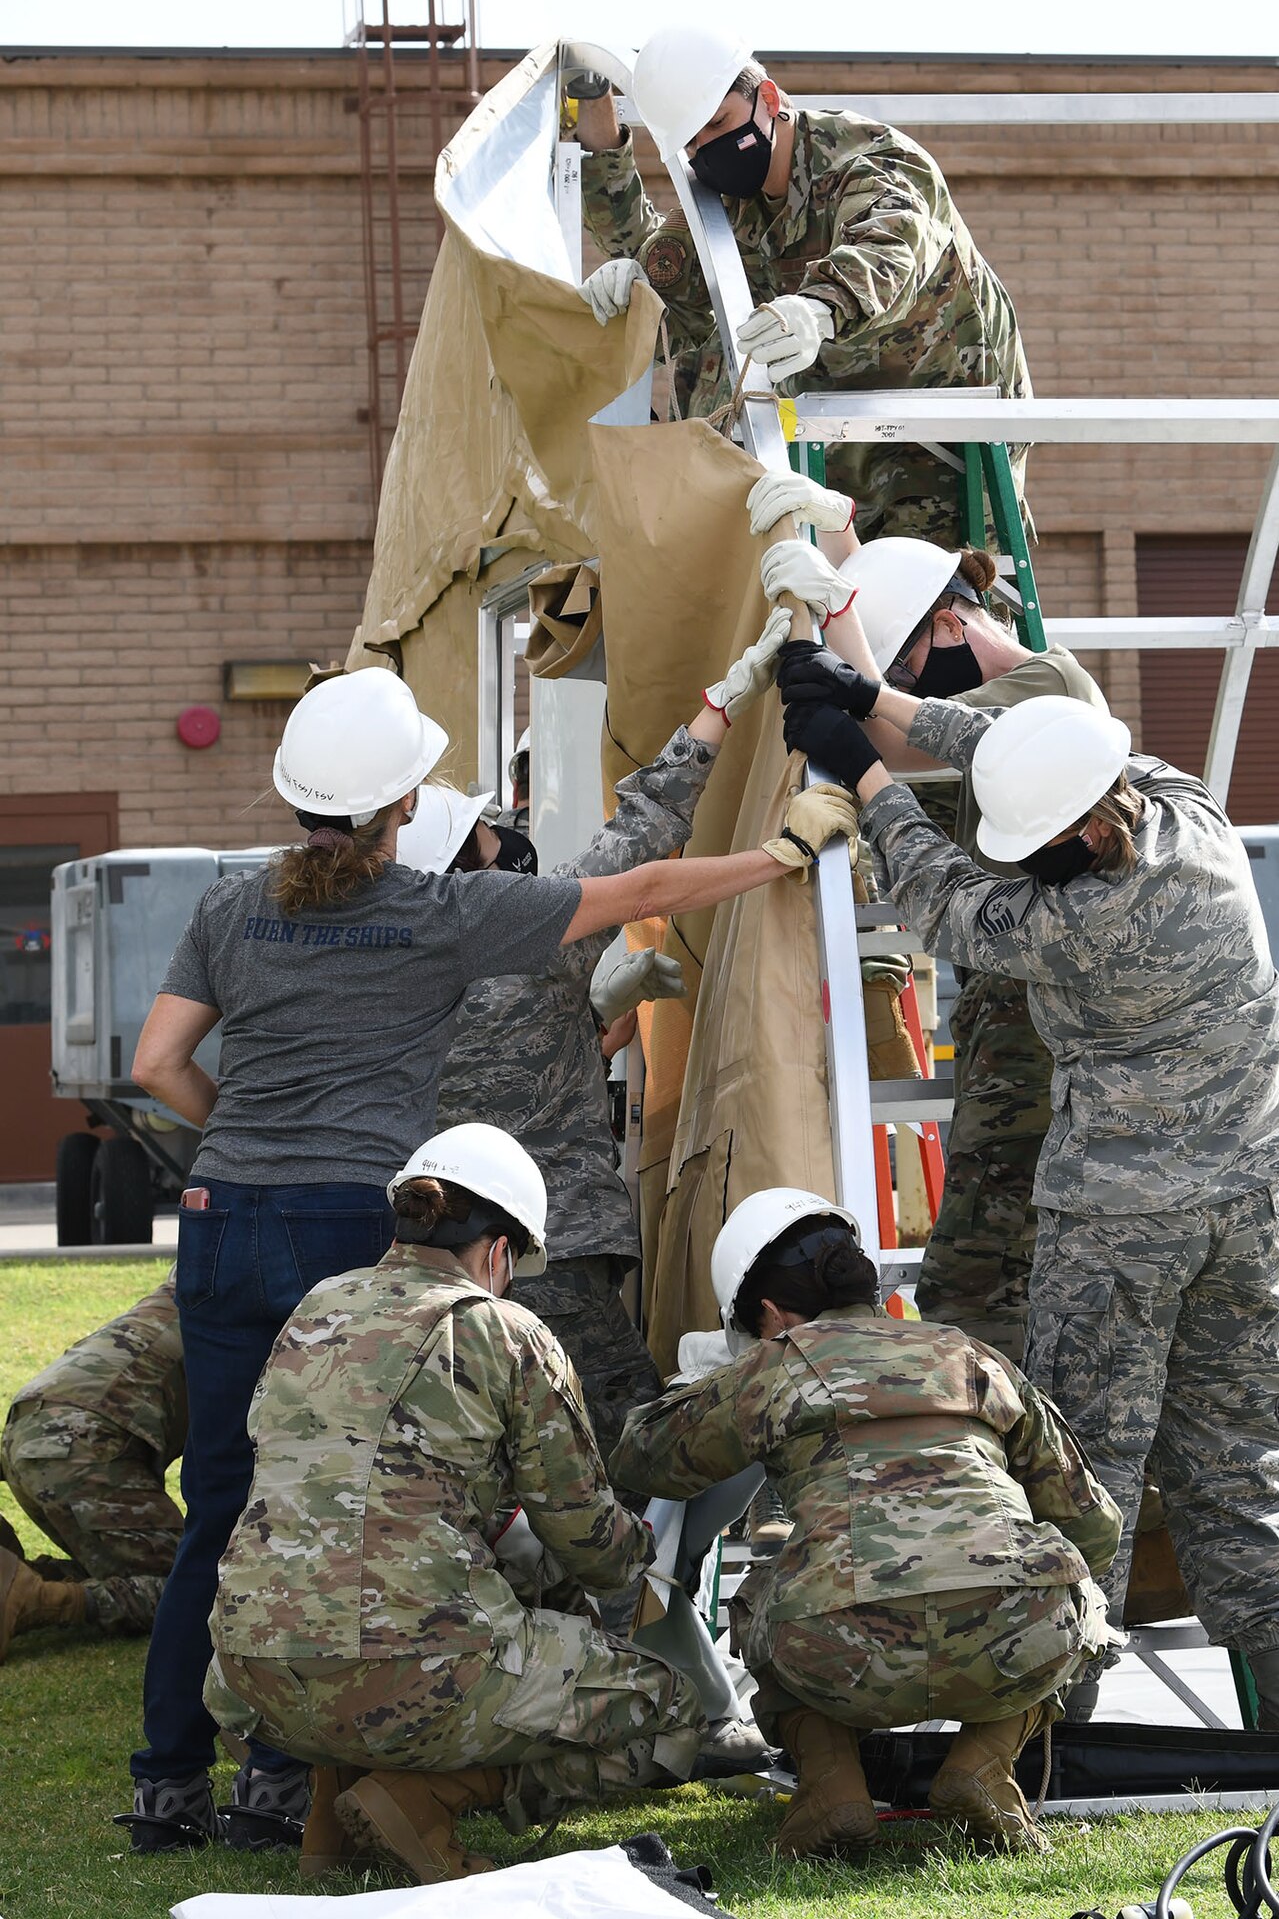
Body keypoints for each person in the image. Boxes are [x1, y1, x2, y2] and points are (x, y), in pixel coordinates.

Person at [121, 660, 855, 1850]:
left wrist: (244, 1146)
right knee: (319, 1483)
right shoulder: (439, 915)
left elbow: (157, 1063)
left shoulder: (229, 906)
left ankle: (168, 1784)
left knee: (220, 1505)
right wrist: (779, 855)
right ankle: (274, 1779)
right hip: (338, 1221)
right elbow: (648, 878)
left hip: (220, 1214)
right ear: (404, 803)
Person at [776, 667, 1279, 1731]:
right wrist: (881, 695)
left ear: (1073, 834)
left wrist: (866, 769)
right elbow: (1029, 746)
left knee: (1087, 1467)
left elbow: (944, 900)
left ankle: (1054, 1730)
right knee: (1237, 1462)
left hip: (1123, 1227)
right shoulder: (1188, 812)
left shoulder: (1077, 922)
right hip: (1251, 1212)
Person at [205, 1124, 706, 1886]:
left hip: (251, 1681)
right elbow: (581, 1532)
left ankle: (330, 1820)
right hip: (412, 1674)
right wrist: (640, 1560)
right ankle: (419, 1796)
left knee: (363, 1649)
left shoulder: (316, 1307)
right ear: (499, 1251)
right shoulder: (503, 1329)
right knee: (666, 1708)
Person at [609, 1187, 1120, 1858]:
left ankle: (831, 1788)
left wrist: (701, 1384)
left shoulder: (776, 1363)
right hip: (1009, 1641)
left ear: (765, 1311)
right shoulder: (971, 1356)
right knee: (1075, 1596)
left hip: (841, 1649)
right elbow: (1091, 1524)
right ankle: (981, 1765)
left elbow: (642, 1462)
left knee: (763, 1599)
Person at [753, 511, 1107, 1359]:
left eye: (913, 661)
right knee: (1012, 1269)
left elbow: (887, 732)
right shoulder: (997, 693)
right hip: (1013, 1018)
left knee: (975, 1275)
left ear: (953, 622)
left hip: (1044, 1028)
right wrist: (836, 542)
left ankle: (981, 1451)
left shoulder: (1046, 691)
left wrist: (843, 667)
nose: (915, 683)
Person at [410, 653, 769, 1487]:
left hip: (438, 1256)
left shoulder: (386, 970)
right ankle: (633, 1597)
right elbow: (643, 837)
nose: (507, 830)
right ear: (475, 864)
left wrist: (601, 1017)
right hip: (556, 1246)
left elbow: (518, 1062)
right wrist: (719, 703)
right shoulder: (537, 938)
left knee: (496, 1450)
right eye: (489, 829)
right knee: (628, 1442)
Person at [573, 26, 1031, 546]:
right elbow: (675, 294)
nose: (710, 150)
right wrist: (634, 294)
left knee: (934, 608)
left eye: (718, 124)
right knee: (822, 603)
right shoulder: (724, 204)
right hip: (832, 437)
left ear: (769, 98)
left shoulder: (866, 161)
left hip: (942, 435)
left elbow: (888, 246)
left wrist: (819, 308)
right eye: (692, 144)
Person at [1, 1277, 184, 1656]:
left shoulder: (198, 1280)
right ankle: (38, 1598)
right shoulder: (275, 1311)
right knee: (202, 1589)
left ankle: (19, 1579)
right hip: (81, 1446)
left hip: (30, 1430)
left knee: (137, 1568)